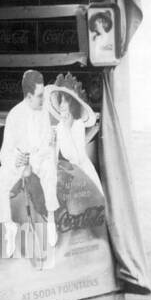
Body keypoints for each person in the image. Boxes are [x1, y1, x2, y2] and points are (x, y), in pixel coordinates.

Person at [0, 70, 60, 255]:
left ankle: (51, 219)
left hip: (39, 160)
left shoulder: (44, 113)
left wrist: (40, 154)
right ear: (28, 96)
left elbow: (48, 146)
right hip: (19, 164)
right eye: (39, 96)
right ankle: (9, 226)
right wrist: (15, 158)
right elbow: (4, 152)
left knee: (49, 169)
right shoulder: (14, 115)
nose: (42, 100)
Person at [46, 77, 105, 210]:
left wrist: (67, 129)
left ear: (72, 105)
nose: (61, 105)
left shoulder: (77, 124)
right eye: (60, 101)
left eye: (65, 102)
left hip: (81, 171)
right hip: (66, 170)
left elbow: (77, 157)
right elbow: (54, 155)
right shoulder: (60, 125)